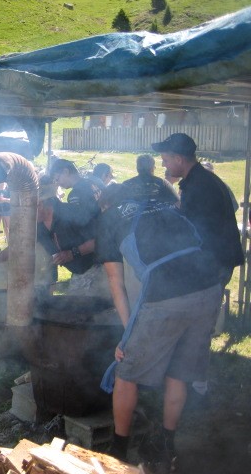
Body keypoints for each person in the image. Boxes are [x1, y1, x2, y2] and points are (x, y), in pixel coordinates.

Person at [96, 183, 222, 473]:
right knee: (179, 370)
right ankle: (166, 444)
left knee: (126, 373)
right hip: (209, 288)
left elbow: (116, 284)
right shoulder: (163, 207)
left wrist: (127, 337)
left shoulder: (108, 218)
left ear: (107, 203)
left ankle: (119, 450)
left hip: (168, 298)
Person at [154, 133, 243, 288]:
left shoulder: (199, 186)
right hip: (219, 258)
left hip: (215, 261)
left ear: (178, 159)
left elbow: (195, 229)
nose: (163, 165)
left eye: (165, 160)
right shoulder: (200, 179)